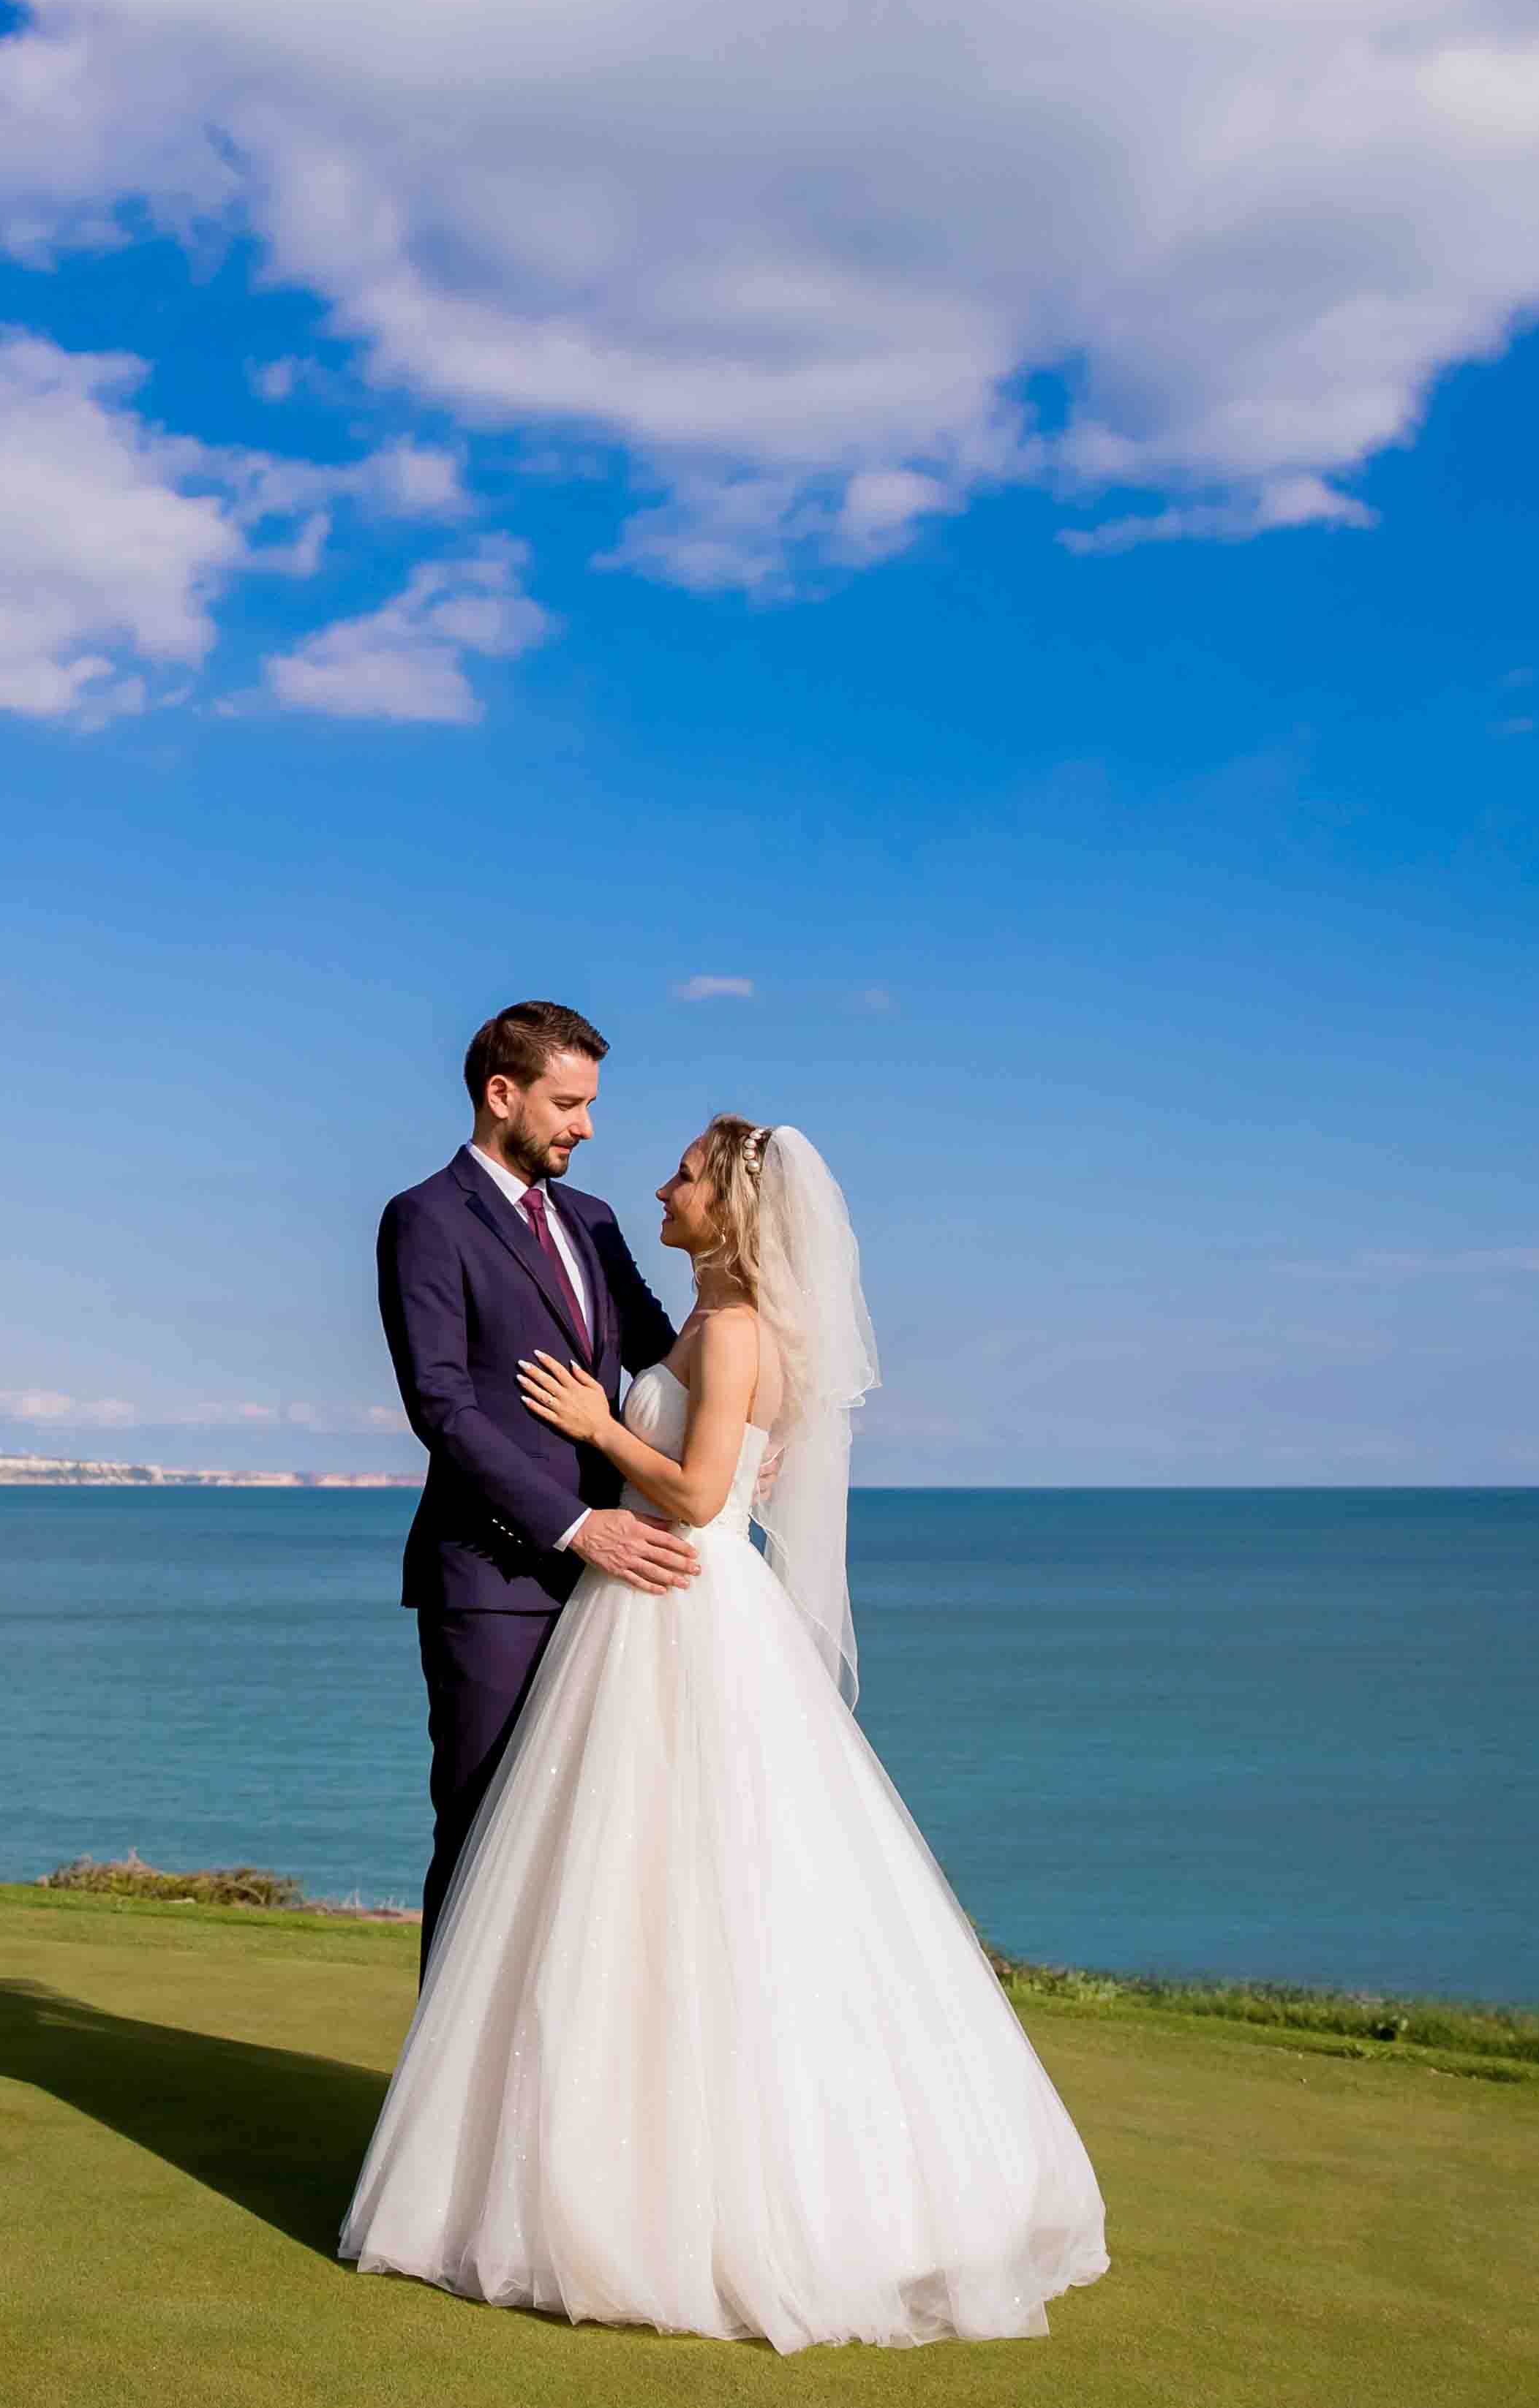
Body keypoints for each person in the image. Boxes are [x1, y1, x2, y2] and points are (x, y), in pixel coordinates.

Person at [342, 1111, 1112, 2350]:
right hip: (630, 1603)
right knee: (606, 1878)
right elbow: (686, 1417)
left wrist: (601, 1427)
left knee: (703, 1881)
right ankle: (558, 2153)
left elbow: (702, 1488)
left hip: (678, 1602)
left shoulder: (734, 1323)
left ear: (730, 1205)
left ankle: (706, 2187)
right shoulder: (701, 1317)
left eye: (687, 1174)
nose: (658, 1181)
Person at [372, 1000, 699, 1966]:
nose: (586, 1127)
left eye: (590, 1104)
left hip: (617, 1592)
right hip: (494, 1582)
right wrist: (576, 1526)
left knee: (587, 1848)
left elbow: (664, 1357)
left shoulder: (595, 1221)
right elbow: (443, 1408)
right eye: (568, 1103)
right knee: (482, 1836)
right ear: (501, 1093)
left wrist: (752, 1419)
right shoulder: (424, 1218)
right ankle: (446, 2073)